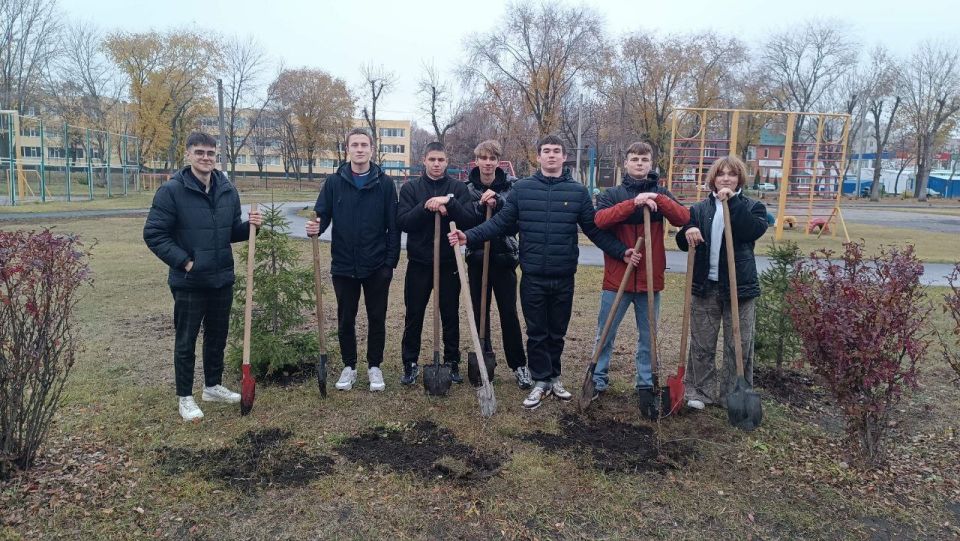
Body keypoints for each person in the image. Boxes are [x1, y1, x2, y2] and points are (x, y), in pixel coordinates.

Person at [449, 135, 641, 410]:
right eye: (546, 151)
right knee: (537, 331)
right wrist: (468, 236)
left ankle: (555, 377)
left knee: (557, 331)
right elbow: (500, 224)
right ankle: (540, 380)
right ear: (538, 157)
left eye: (556, 151)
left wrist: (620, 251)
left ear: (564, 157)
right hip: (533, 276)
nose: (551, 156)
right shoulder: (523, 190)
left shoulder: (577, 193)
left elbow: (594, 230)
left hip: (563, 275)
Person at [143, 131, 263, 421]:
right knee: (186, 340)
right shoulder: (172, 191)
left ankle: (212, 386)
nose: (206, 158)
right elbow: (154, 233)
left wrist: (251, 227)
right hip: (190, 282)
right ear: (188, 154)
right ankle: (185, 396)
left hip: (221, 278)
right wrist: (185, 262)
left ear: (216, 156)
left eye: (211, 153)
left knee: (217, 337)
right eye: (200, 152)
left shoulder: (227, 189)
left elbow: (229, 231)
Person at [591, 141, 690, 402]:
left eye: (644, 159)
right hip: (617, 279)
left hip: (649, 280)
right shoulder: (612, 194)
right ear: (625, 162)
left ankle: (645, 383)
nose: (639, 163)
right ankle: (598, 378)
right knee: (606, 333)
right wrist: (634, 203)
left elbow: (682, 217)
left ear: (651, 163)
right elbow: (599, 220)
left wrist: (656, 199)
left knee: (648, 337)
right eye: (634, 159)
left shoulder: (661, 193)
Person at [304, 127, 400, 392]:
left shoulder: (385, 183)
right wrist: (316, 228)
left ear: (371, 148)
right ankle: (349, 366)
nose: (359, 149)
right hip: (344, 265)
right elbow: (321, 216)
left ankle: (374, 367)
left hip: (376, 265)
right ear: (348, 149)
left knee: (376, 316)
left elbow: (394, 226)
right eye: (354, 145)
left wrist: (389, 264)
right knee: (346, 317)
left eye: (364, 145)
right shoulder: (334, 183)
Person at [675, 155, 768, 410]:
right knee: (702, 343)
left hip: (740, 288)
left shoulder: (753, 207)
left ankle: (733, 395)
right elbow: (682, 242)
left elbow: (750, 230)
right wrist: (687, 231)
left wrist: (733, 201)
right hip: (706, 286)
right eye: (721, 174)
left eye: (732, 174)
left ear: (739, 179)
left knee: (737, 344)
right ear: (713, 179)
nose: (726, 178)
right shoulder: (698, 210)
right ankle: (700, 391)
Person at [397, 141, 477, 386]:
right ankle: (410, 363)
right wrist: (427, 206)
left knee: (450, 314)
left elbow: (470, 220)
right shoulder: (410, 189)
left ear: (447, 161)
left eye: (441, 160)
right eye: (432, 159)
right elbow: (403, 222)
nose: (436, 164)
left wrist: (448, 204)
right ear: (424, 160)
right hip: (419, 263)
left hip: (448, 263)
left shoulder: (458, 188)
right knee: (414, 314)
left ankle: (452, 362)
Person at [464, 140, 531, 390]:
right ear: (477, 161)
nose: (488, 163)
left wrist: (499, 204)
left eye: (492, 158)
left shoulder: (512, 187)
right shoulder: (468, 188)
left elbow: (515, 222)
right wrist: (481, 205)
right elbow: (467, 219)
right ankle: (485, 362)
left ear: (498, 161)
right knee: (481, 314)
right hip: (478, 259)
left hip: (504, 258)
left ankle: (518, 365)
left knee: (509, 314)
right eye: (483, 158)